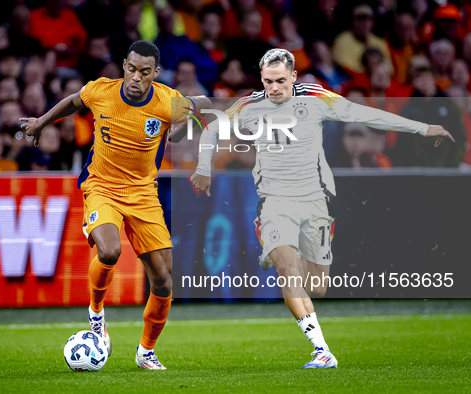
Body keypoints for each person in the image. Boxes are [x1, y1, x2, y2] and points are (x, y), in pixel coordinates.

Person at [190, 48, 453, 369]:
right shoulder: (248, 105)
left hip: (314, 201)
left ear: (294, 77)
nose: (273, 88)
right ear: (261, 79)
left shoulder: (316, 98)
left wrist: (424, 128)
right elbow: (213, 127)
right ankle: (321, 350)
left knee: (317, 286)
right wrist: (204, 166)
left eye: (281, 81)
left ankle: (285, 249)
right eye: (268, 81)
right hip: (274, 201)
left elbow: (367, 114)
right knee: (287, 269)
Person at [21, 41, 210, 370]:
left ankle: (146, 352)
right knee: (109, 251)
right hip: (102, 187)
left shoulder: (168, 101)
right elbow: (72, 102)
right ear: (124, 65)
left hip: (143, 193)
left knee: (164, 280)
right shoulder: (101, 91)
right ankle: (96, 314)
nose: (137, 77)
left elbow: (207, 112)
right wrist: (41, 121)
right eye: (132, 69)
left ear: (156, 73)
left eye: (145, 72)